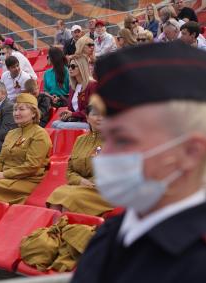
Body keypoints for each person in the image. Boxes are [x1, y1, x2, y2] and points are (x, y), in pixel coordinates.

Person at [71, 41, 206, 283]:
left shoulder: (196, 263)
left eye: (123, 140)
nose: (107, 154)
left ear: (190, 153)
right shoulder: (114, 234)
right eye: (108, 137)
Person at [0, 93, 52, 204]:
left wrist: (3, 175)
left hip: (26, 180)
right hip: (5, 177)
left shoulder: (40, 134)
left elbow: (31, 166)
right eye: (15, 110)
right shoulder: (11, 133)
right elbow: (0, 160)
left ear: (33, 113)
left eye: (21, 109)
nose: (16, 113)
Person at [47, 105, 112, 215]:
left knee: (70, 198)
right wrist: (80, 181)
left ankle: (66, 229)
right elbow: (70, 170)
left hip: (103, 191)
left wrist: (89, 183)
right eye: (95, 114)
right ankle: (54, 230)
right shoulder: (80, 139)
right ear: (87, 118)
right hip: (81, 187)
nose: (100, 118)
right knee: (57, 193)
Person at [52, 55, 97, 130]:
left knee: (61, 126)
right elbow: (71, 109)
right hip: (77, 120)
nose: (69, 69)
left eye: (73, 66)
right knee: (55, 124)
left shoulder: (92, 85)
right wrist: (67, 114)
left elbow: (93, 109)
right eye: (69, 66)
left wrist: (73, 114)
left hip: (88, 122)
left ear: (81, 67)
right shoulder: (73, 87)